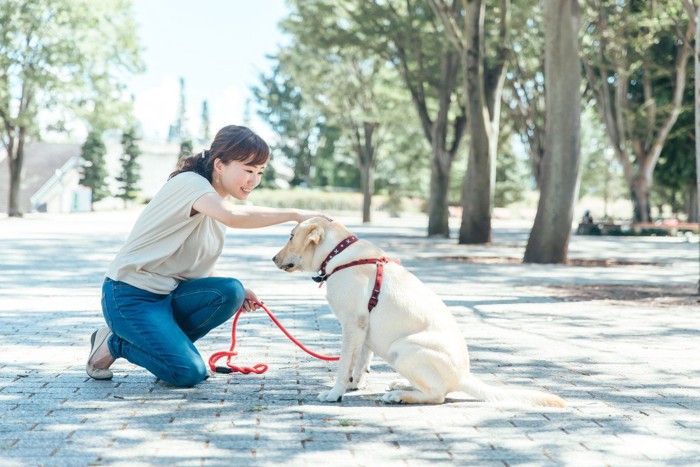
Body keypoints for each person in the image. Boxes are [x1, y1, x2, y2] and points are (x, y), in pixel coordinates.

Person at [86, 125, 331, 387]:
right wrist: (295, 215)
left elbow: (192, 265)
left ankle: (163, 354)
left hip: (167, 296)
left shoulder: (215, 204)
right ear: (220, 165)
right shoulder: (190, 184)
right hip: (129, 295)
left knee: (231, 291)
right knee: (188, 372)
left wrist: (242, 291)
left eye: (260, 172)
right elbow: (234, 216)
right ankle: (114, 342)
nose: (254, 180)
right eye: (248, 170)